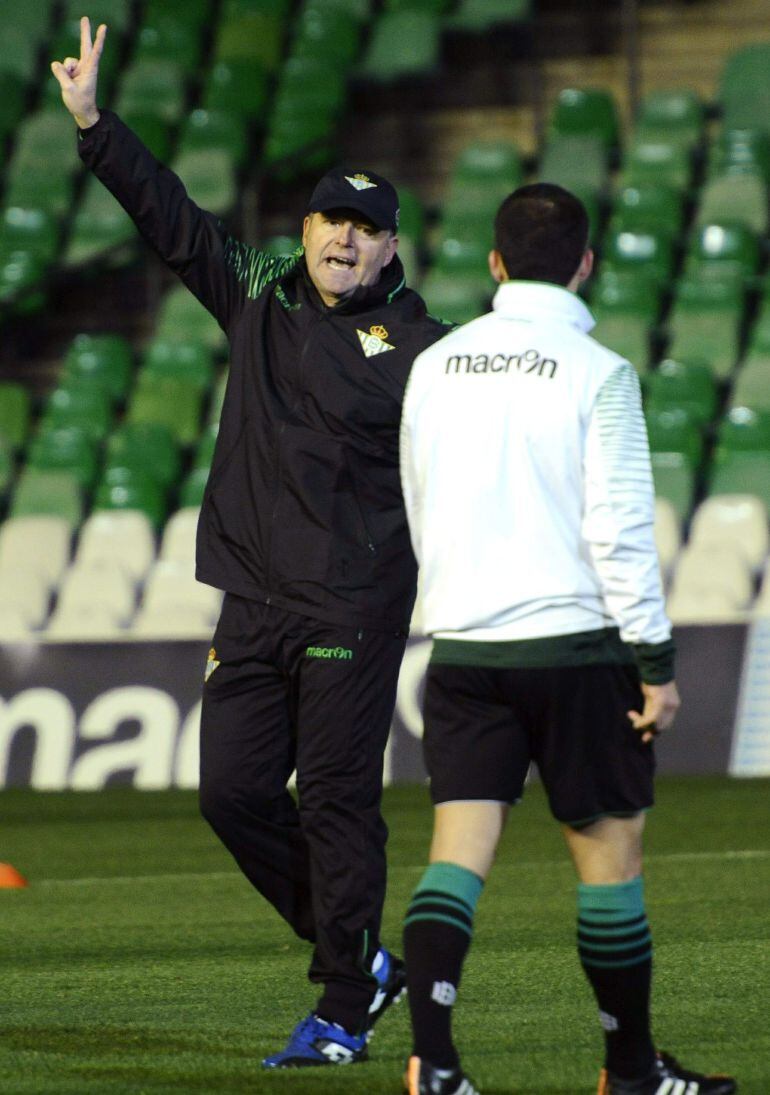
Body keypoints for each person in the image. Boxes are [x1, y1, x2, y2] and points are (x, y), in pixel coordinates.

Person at [52, 17, 450, 1068]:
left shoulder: (426, 351)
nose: (341, 239)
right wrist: (95, 126)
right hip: (254, 600)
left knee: (332, 797)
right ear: (307, 227)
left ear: (393, 245)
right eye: (330, 220)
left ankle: (340, 1006)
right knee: (229, 796)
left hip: (353, 604)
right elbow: (169, 216)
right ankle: (355, 952)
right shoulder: (258, 297)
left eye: (364, 228)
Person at [398, 183, 738, 1095]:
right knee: (609, 863)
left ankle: (435, 1061)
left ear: (495, 264)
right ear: (585, 263)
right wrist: (656, 666)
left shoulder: (434, 364)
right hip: (579, 651)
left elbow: (418, 502)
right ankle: (629, 1073)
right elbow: (622, 530)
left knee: (456, 856)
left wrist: (458, 604)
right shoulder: (598, 371)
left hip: (466, 650)